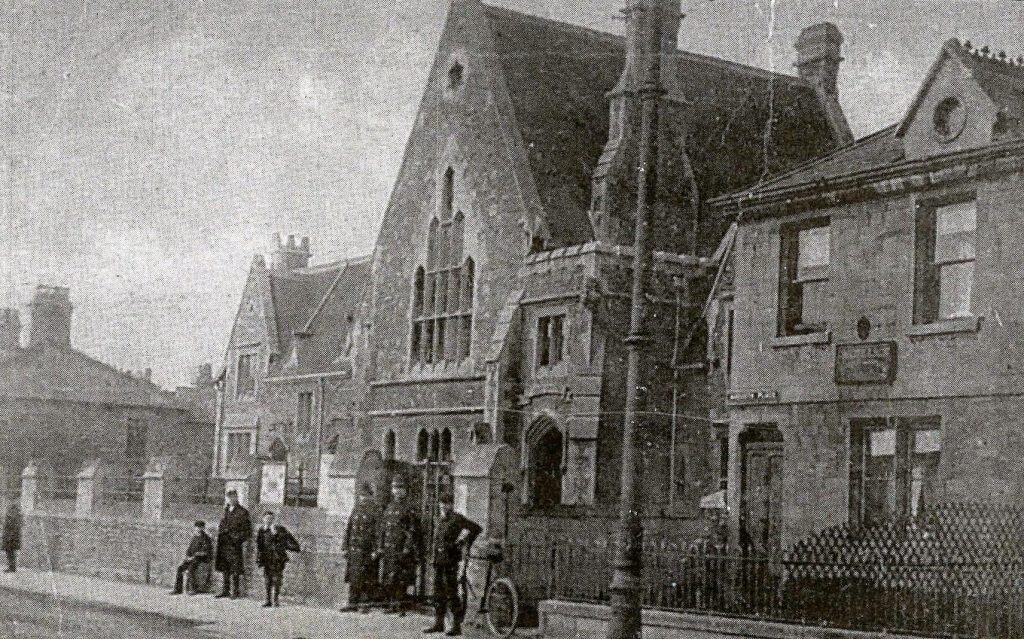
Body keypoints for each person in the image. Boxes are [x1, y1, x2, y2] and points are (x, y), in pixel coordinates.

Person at [423, 491, 481, 636]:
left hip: (450, 560)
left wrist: (463, 542)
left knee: (451, 592)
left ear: (451, 505)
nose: (444, 506)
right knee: (438, 592)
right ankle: (439, 623)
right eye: (442, 503)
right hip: (438, 561)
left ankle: (456, 626)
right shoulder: (438, 519)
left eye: (447, 503)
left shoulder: (457, 519)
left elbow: (476, 528)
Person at [378, 474, 423, 616]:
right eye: (395, 488)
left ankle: (400, 605)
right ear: (392, 490)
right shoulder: (389, 507)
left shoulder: (409, 508)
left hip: (401, 548)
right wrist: (381, 545)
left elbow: (412, 530)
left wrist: (407, 548)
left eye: (400, 488)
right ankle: (391, 604)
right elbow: (383, 529)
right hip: (389, 548)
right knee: (389, 577)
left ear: (405, 490)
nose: (397, 491)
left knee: (401, 578)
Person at [341, 482, 381, 613]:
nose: (363, 498)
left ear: (370, 496)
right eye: (361, 496)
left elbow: (378, 532)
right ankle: (352, 603)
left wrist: (376, 549)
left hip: (367, 549)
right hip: (354, 549)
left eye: (366, 496)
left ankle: (365, 604)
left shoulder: (375, 510)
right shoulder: (356, 509)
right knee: (354, 577)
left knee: (366, 577)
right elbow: (349, 528)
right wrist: (345, 546)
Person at [255, 511, 301, 607]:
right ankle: (268, 600)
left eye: (271, 519)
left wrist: (276, 534)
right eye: (266, 518)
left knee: (277, 578)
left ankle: (275, 599)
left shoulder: (280, 529)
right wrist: (259, 557)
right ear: (263, 519)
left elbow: (288, 541)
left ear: (273, 519)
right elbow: (259, 545)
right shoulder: (262, 530)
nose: (268, 521)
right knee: (267, 579)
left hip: (277, 558)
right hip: (266, 557)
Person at [214, 489, 253, 599]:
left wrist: (237, 539)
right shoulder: (226, 510)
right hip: (224, 543)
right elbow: (222, 524)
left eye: (233, 497)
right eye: (229, 497)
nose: (231, 499)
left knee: (235, 568)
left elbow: (247, 531)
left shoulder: (242, 512)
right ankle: (225, 590)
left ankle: (235, 591)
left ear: (237, 498)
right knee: (225, 567)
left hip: (234, 544)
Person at [171, 521, 213, 595]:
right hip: (192, 558)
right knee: (180, 568)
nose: (197, 529)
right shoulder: (195, 537)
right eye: (196, 527)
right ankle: (178, 589)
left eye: (199, 527)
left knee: (191, 568)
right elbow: (189, 549)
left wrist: (194, 557)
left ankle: (193, 589)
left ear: (203, 528)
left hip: (201, 559)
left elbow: (205, 552)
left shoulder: (206, 538)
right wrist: (187, 556)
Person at [2, 502, 22, 573]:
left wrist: (10, 536)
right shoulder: (15, 515)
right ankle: (11, 567)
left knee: (10, 552)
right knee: (9, 552)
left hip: (11, 537)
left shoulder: (13, 516)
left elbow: (13, 527)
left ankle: (12, 567)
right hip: (10, 536)